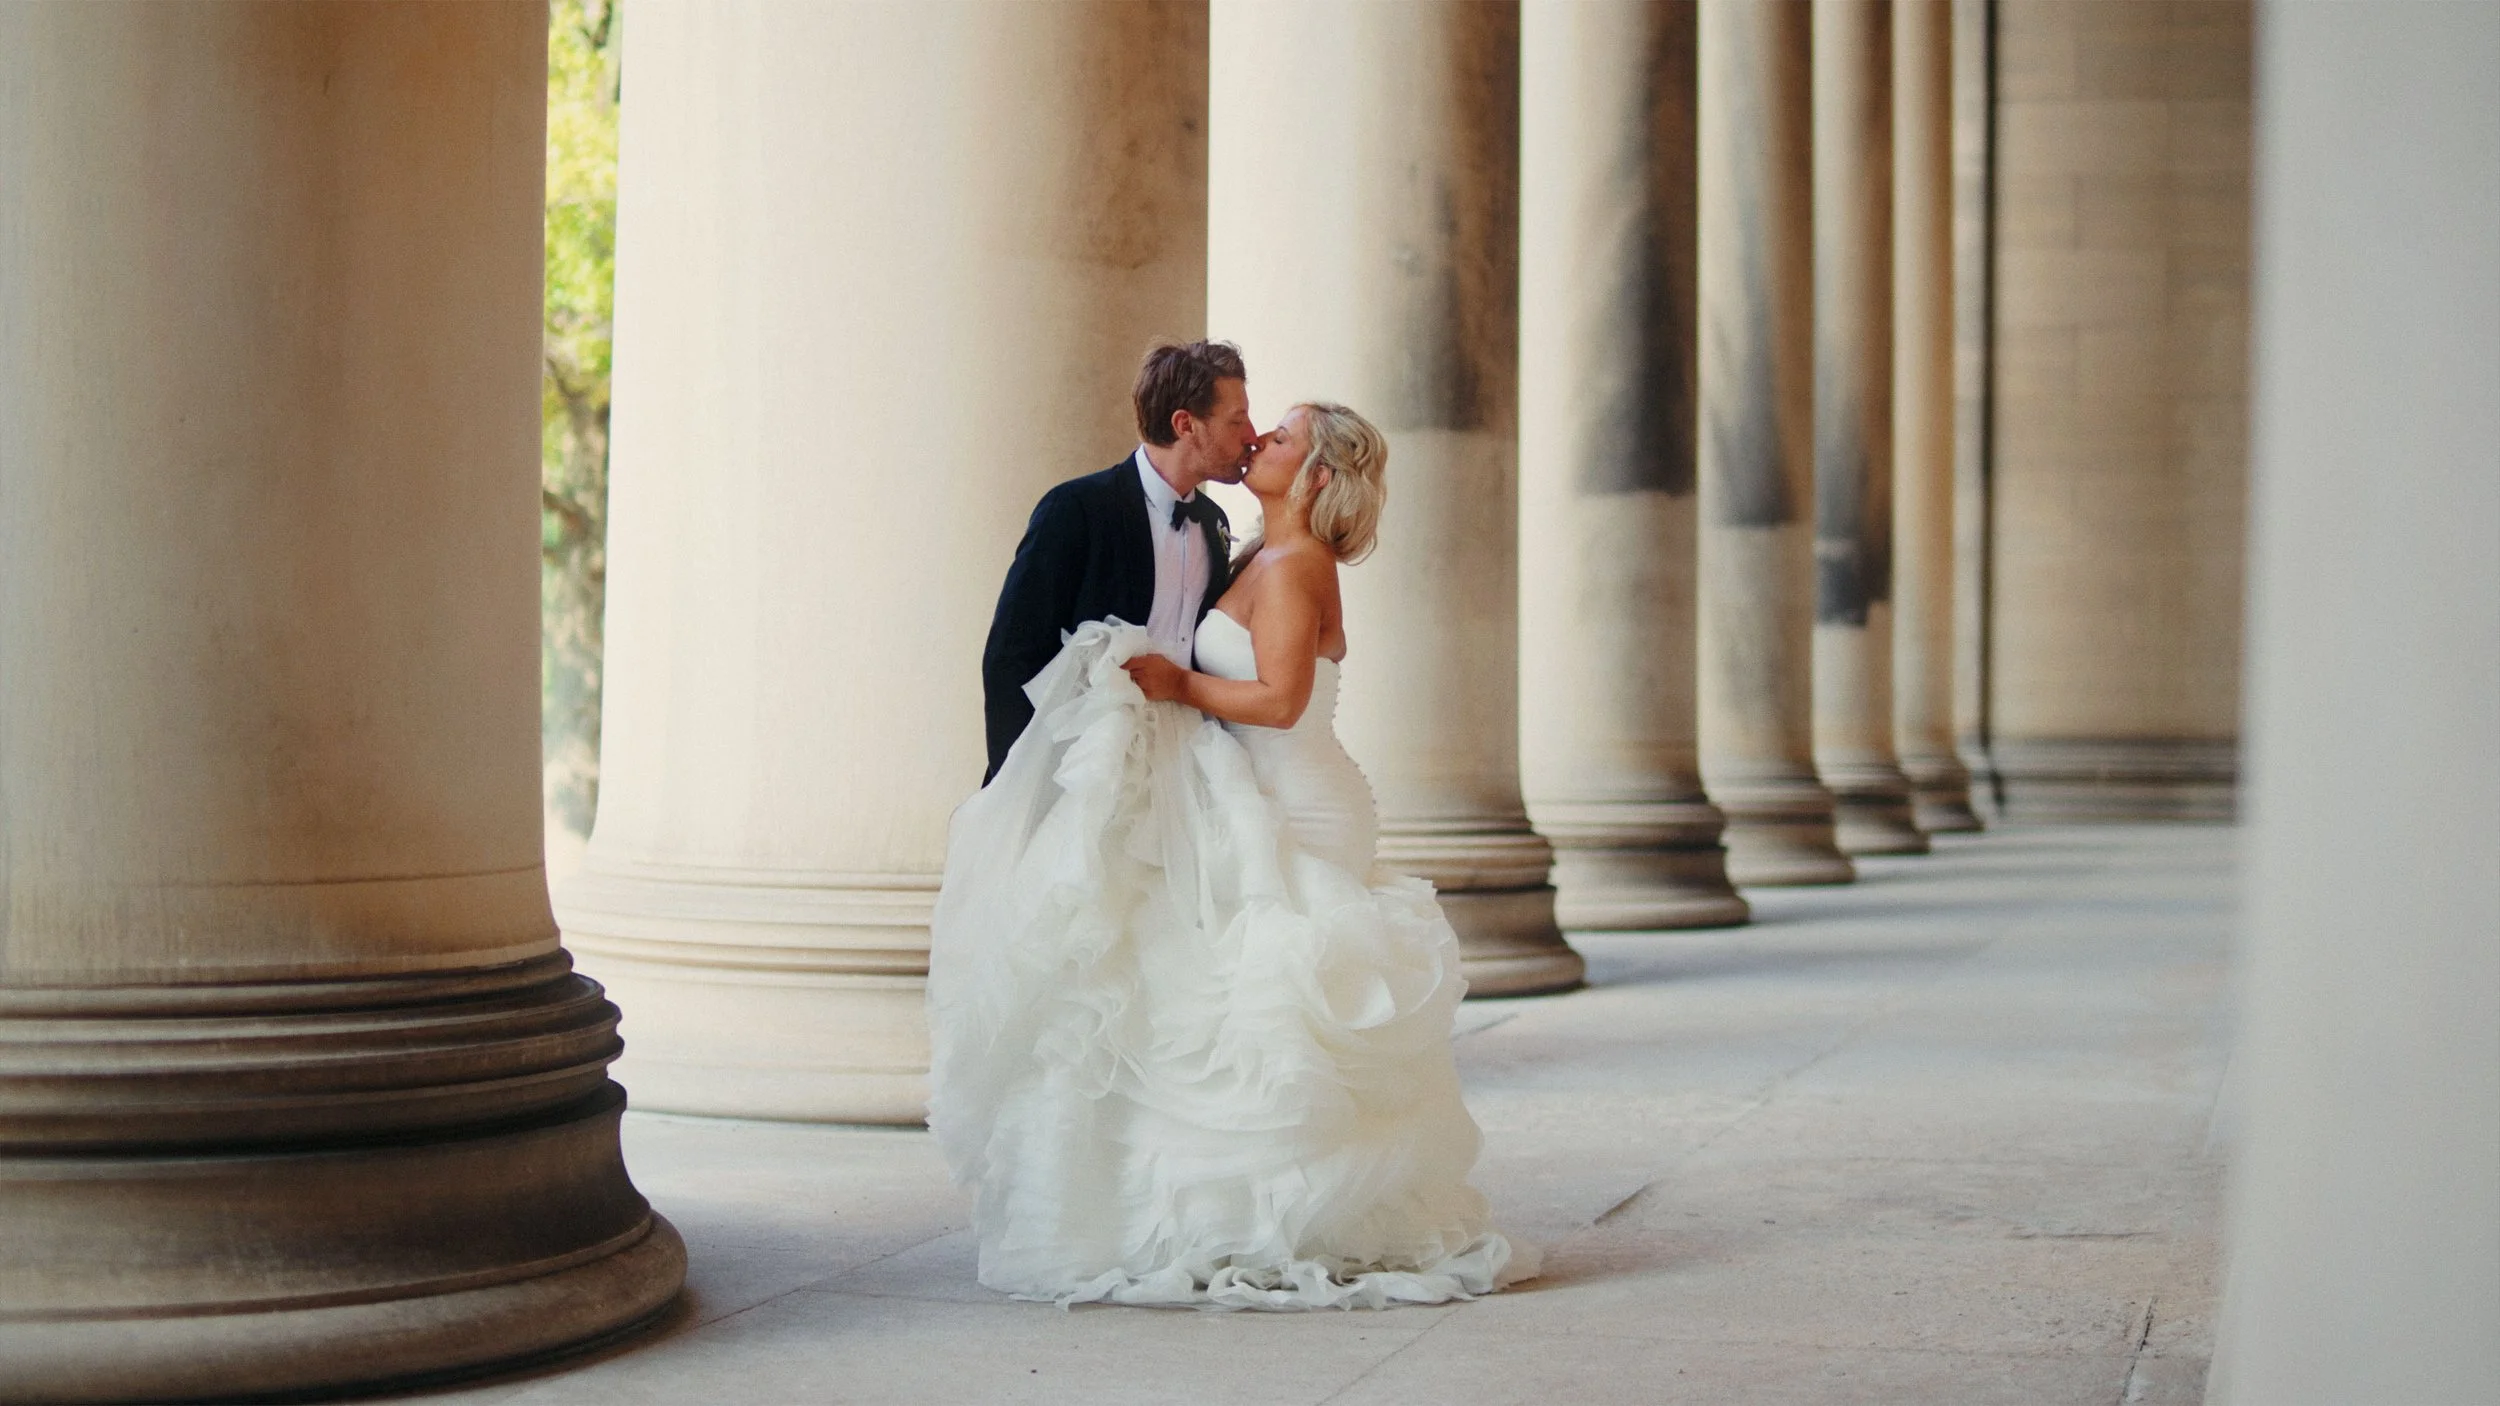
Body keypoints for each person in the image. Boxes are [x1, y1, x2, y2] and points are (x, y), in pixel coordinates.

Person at [928, 400, 1531, 1310]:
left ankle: (1285, 1213)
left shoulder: (1294, 566)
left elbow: (1282, 701)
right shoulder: (1256, 550)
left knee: (1266, 995)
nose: (1260, 442)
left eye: (1281, 437)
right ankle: (1237, 1208)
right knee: (1219, 990)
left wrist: (1176, 682)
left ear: (1317, 475)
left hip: (1297, 799)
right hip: (1258, 792)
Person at [978, 340, 1257, 784]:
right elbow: (1011, 658)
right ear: (1186, 424)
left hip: (1183, 770)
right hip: (1087, 769)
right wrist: (1021, 781)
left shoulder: (1214, 523)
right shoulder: (1076, 508)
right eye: (1237, 420)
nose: (1251, 436)